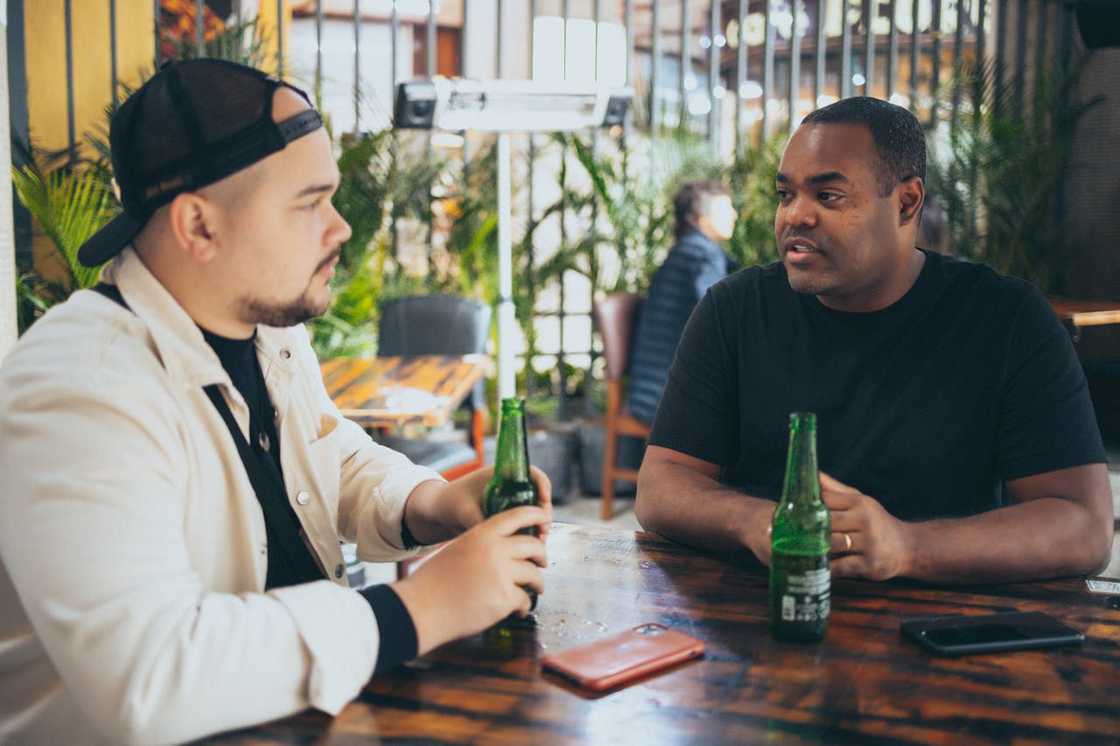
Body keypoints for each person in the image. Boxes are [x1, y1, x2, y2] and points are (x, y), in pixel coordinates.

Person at [0, 59, 551, 745]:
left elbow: (327, 456)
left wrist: (430, 504)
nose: (340, 227)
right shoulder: (79, 388)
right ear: (198, 227)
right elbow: (148, 676)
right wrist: (418, 609)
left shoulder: (265, 333)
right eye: (309, 203)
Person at [636, 96, 1113, 584]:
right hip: (760, 616)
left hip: (946, 624)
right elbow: (661, 484)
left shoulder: (1008, 320)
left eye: (828, 196)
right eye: (786, 194)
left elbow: (1084, 525)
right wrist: (757, 521)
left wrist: (906, 547)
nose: (795, 216)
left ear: (907, 202)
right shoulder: (733, 310)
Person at [627, 180, 739, 424]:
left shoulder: (683, 251)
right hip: (669, 396)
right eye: (725, 208)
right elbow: (719, 318)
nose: (734, 214)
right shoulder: (703, 255)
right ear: (701, 218)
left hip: (647, 392)